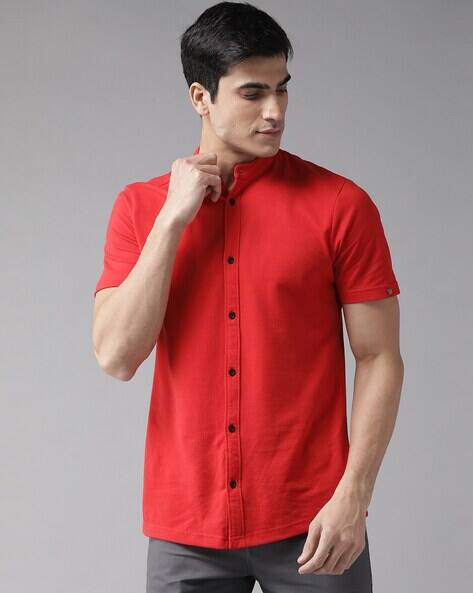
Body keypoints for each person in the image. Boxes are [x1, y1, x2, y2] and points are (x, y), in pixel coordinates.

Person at [92, 2, 404, 591]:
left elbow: (380, 356)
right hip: (188, 527)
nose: (275, 111)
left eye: (282, 89)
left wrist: (354, 496)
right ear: (200, 97)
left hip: (315, 520)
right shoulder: (140, 208)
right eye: (253, 93)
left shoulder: (341, 205)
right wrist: (172, 221)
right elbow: (116, 356)